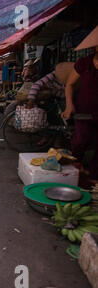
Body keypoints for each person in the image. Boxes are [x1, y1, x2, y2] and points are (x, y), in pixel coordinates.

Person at [62, 26, 98, 188]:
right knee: (81, 141)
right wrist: (69, 105)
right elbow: (69, 84)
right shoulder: (84, 63)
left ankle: (93, 181)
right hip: (83, 112)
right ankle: (71, 176)